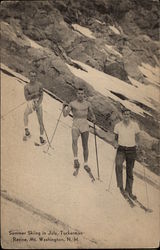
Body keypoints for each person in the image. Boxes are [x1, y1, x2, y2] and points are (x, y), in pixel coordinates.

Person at [62, 88, 96, 180]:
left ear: (84, 94)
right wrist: (63, 107)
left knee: (85, 145)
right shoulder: (72, 103)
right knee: (74, 141)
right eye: (79, 93)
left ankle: (85, 163)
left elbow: (92, 114)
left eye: (82, 93)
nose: (80, 95)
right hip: (76, 124)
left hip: (84, 125)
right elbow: (65, 115)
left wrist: (93, 118)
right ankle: (76, 159)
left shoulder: (87, 104)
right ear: (76, 94)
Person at [113, 108, 140, 200]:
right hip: (121, 149)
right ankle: (120, 187)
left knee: (130, 171)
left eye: (128, 114)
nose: (126, 116)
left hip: (131, 150)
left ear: (130, 115)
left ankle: (129, 191)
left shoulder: (135, 125)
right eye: (125, 114)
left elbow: (137, 136)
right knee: (118, 165)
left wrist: (137, 144)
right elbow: (116, 138)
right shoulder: (118, 126)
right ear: (122, 115)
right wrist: (115, 143)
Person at [23, 70, 46, 144]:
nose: (33, 77)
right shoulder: (26, 86)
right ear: (29, 76)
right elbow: (27, 98)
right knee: (25, 114)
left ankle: (41, 137)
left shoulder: (40, 85)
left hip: (38, 103)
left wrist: (38, 104)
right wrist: (34, 94)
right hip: (31, 102)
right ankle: (26, 130)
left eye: (34, 76)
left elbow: (41, 96)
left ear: (36, 77)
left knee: (41, 121)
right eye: (31, 76)